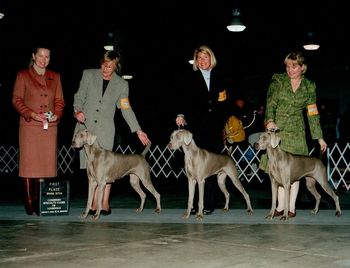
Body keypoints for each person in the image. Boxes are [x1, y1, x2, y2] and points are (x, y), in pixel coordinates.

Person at [73, 50, 150, 216]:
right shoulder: (88, 74)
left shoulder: (122, 84)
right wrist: (77, 110)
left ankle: (104, 203)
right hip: (85, 127)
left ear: (116, 66)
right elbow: (79, 96)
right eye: (103, 64)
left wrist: (138, 130)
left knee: (107, 169)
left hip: (105, 132)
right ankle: (94, 204)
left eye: (109, 66)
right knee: (90, 168)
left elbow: (126, 108)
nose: (105, 68)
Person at [260, 51, 327, 218]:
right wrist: (269, 121)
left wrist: (319, 137)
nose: (290, 70)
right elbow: (270, 103)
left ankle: (291, 208)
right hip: (277, 130)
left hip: (297, 131)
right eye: (287, 66)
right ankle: (280, 206)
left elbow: (312, 113)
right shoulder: (278, 80)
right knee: (278, 171)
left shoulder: (309, 86)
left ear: (302, 67)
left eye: (294, 66)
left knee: (294, 171)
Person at [175, 45, 231, 215]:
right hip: (196, 126)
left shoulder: (220, 76)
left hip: (214, 126)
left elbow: (223, 102)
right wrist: (180, 114)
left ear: (211, 58)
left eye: (205, 57)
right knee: (194, 167)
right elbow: (182, 97)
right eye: (199, 58)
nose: (202, 61)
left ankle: (208, 203)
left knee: (211, 165)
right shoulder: (189, 77)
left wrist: (222, 122)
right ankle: (193, 205)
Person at [12, 46, 65, 215]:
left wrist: (57, 114)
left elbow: (60, 100)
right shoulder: (23, 75)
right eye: (40, 56)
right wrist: (31, 114)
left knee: (44, 164)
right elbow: (16, 99)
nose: (44, 59)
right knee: (29, 165)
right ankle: (29, 202)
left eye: (47, 57)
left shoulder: (55, 76)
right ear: (34, 56)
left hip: (49, 127)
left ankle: (41, 201)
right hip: (29, 126)